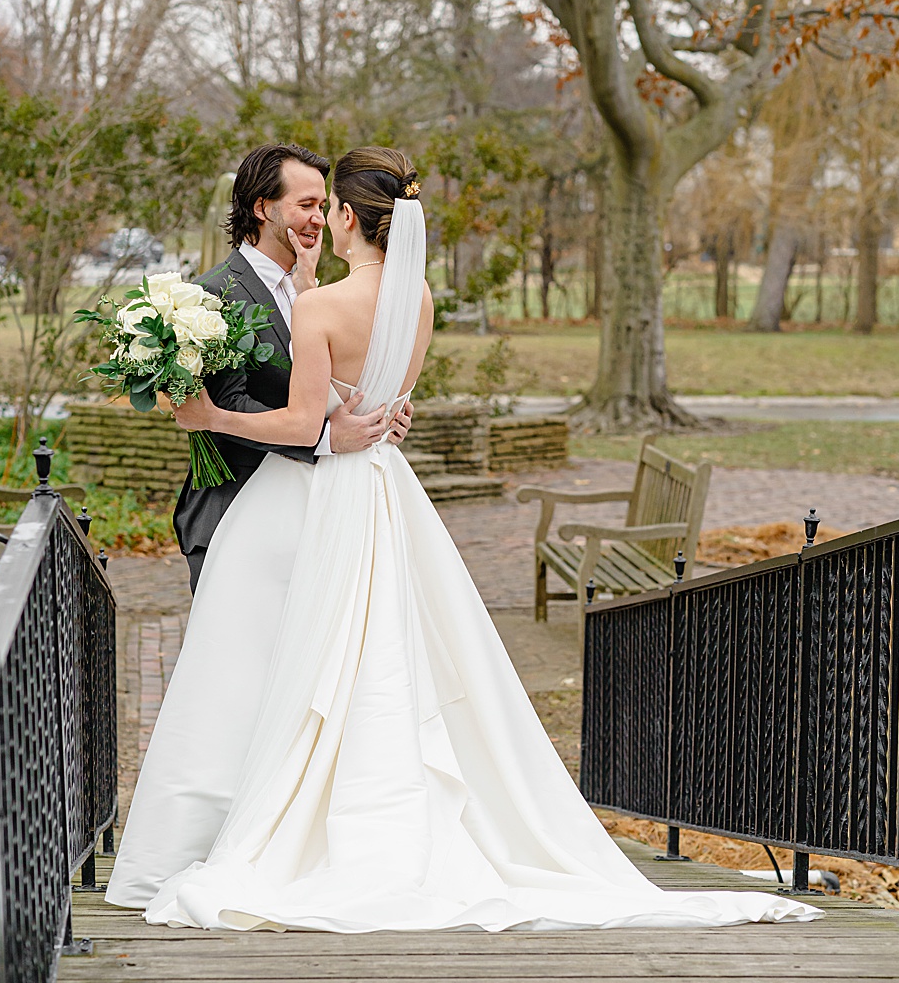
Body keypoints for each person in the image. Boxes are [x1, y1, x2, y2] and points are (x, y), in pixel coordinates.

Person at [108, 147, 816, 932]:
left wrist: (208, 417)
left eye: (326, 206)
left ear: (346, 217)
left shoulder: (317, 307)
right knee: (382, 656)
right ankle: (371, 811)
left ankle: (298, 820)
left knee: (322, 657)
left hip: (329, 488)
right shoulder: (422, 299)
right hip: (385, 489)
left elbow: (305, 424)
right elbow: (377, 397)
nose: (317, 219)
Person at [174, 144, 407, 593]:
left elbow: (328, 384)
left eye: (323, 205)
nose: (319, 218)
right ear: (262, 208)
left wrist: (378, 415)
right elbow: (224, 407)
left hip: (316, 516)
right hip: (233, 514)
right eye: (305, 205)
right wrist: (326, 437)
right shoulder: (212, 294)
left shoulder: (319, 294)